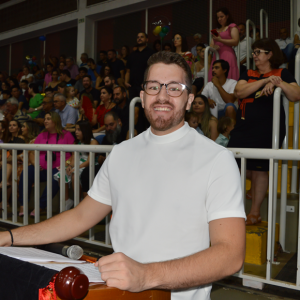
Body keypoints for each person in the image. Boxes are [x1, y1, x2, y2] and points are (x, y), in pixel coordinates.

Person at [0, 51, 246, 300]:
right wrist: (10, 237)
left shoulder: (216, 159)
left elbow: (230, 254)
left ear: (190, 99)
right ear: (142, 96)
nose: (162, 95)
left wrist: (146, 275)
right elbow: (80, 217)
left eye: (174, 87)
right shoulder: (121, 153)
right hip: (117, 293)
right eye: (153, 87)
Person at [228, 38, 300, 225]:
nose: (254, 56)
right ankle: (235, 208)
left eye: (258, 52)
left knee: (260, 170)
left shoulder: (282, 72)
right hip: (242, 128)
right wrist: (265, 81)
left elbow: (296, 94)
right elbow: (239, 92)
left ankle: (254, 212)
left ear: (269, 54)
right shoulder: (248, 72)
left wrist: (278, 82)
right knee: (234, 166)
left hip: (267, 130)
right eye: (253, 52)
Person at [18, 111, 75, 216]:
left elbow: (74, 153)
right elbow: (32, 153)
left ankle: (40, 207)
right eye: (45, 119)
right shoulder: (41, 135)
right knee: (26, 172)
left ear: (55, 121)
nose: (45, 121)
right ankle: (22, 204)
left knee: (56, 176)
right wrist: (35, 164)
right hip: (41, 168)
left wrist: (68, 164)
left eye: (48, 119)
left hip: (58, 168)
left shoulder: (66, 135)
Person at [80, 111, 128, 197]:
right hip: (107, 167)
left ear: (119, 122)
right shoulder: (107, 137)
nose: (109, 128)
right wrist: (102, 159)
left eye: (111, 124)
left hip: (123, 168)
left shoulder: (126, 133)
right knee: (86, 172)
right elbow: (100, 158)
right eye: (106, 126)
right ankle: (87, 203)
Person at [54, 120, 99, 210]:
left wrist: (75, 168)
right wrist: (70, 166)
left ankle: (78, 203)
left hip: (89, 166)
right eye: (76, 129)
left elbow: (89, 161)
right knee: (61, 174)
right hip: (78, 165)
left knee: (75, 175)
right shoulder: (76, 142)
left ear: (85, 130)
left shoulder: (93, 142)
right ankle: (66, 201)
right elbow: (74, 158)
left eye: (79, 130)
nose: (76, 132)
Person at [209, 7, 239, 81]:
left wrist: (220, 40)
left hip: (228, 54)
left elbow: (235, 41)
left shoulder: (231, 26)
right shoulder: (215, 31)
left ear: (227, 16)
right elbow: (211, 45)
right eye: (218, 17)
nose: (219, 19)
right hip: (216, 55)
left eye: (221, 16)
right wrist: (213, 47)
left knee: (228, 75)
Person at [125, 32, 154, 100]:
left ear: (147, 39)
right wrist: (126, 82)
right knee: (133, 107)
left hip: (146, 86)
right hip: (133, 86)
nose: (139, 38)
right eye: (138, 37)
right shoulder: (132, 55)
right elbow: (128, 71)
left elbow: (154, 70)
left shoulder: (151, 53)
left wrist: (147, 82)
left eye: (141, 37)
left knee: (146, 106)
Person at [0, 120, 25, 189]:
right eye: (10, 125)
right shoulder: (7, 139)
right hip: (9, 160)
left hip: (18, 160)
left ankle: (4, 182)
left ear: (18, 128)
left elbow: (18, 152)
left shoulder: (21, 138)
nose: (11, 127)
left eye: (14, 125)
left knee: (8, 164)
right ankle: (6, 198)